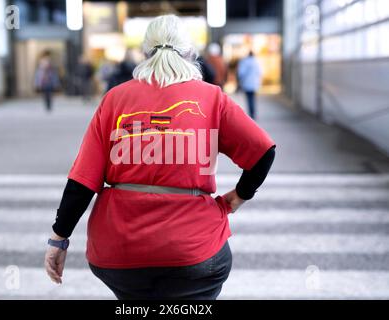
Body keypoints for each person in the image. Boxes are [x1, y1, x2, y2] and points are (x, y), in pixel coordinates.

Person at [44, 15, 275, 300]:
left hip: (120, 251)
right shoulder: (212, 99)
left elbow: (81, 183)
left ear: (145, 51)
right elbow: (263, 151)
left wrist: (59, 239)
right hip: (193, 251)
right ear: (190, 52)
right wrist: (239, 196)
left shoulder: (115, 99)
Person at [238, 51, 262, 119]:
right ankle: (253, 113)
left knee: (248, 99)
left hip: (247, 83)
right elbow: (260, 72)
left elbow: (241, 73)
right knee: (253, 98)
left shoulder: (244, 62)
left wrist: (241, 81)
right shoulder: (257, 62)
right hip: (254, 84)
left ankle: (250, 114)